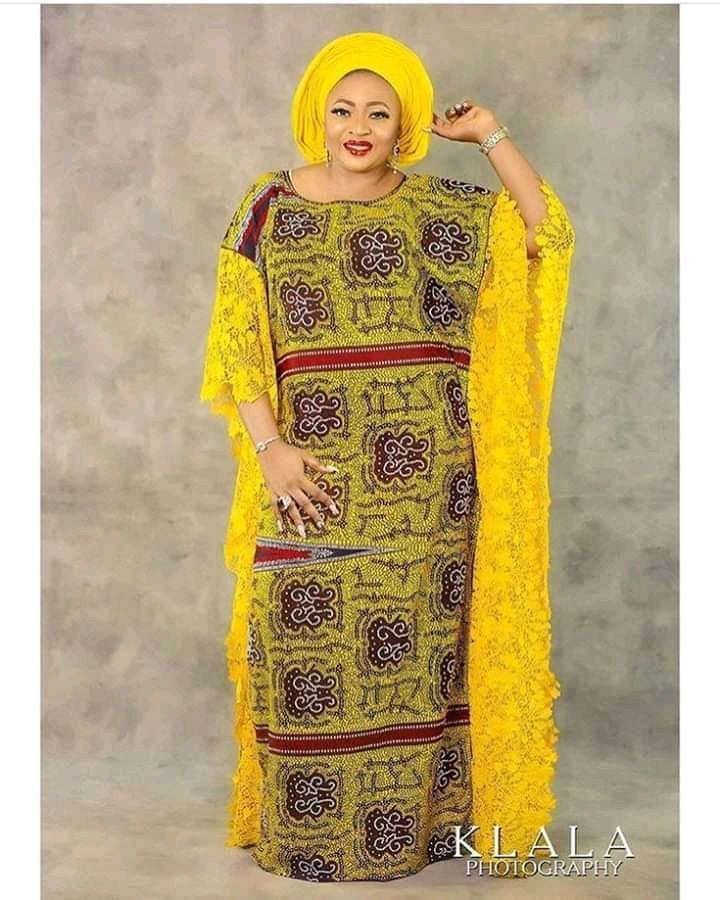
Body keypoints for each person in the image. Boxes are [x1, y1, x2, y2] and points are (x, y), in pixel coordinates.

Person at [200, 30, 576, 882]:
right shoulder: (268, 204)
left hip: (431, 492)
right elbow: (236, 340)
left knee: (417, 662)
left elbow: (545, 234)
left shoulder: (448, 210)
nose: (358, 127)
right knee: (304, 650)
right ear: (317, 117)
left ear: (404, 125)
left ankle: (416, 835)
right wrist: (270, 448)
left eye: (379, 112)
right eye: (343, 110)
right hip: (311, 478)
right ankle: (308, 839)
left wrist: (489, 134)